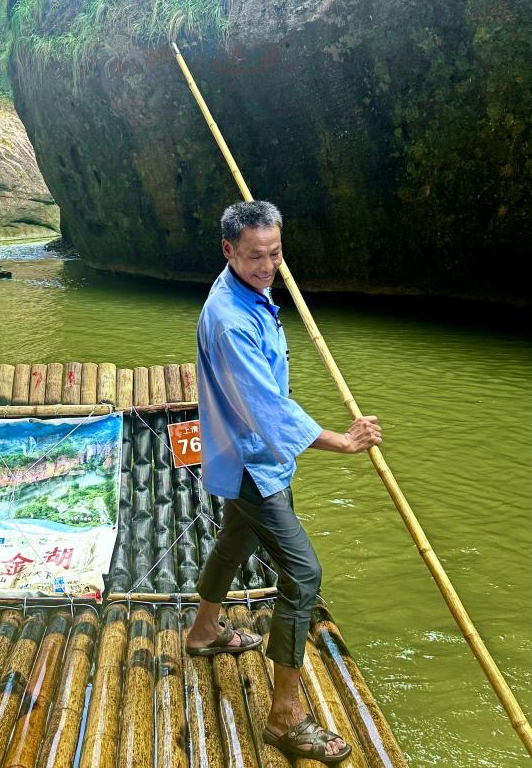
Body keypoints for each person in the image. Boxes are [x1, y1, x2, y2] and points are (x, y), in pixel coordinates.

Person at [186, 201, 382, 764]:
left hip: (251, 458)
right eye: (255, 256)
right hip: (251, 462)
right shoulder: (229, 319)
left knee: (235, 540)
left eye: (275, 253)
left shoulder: (251, 289)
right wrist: (342, 441)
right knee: (303, 573)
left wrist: (266, 269)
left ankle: (203, 631)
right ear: (227, 251)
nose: (269, 265)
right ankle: (284, 716)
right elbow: (267, 409)